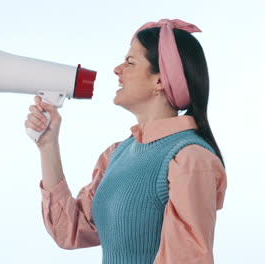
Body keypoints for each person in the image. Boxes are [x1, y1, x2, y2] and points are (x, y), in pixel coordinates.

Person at [25, 18, 227, 264]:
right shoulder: (117, 154)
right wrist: (48, 145)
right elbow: (70, 231)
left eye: (130, 62)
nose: (117, 69)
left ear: (160, 80)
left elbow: (187, 258)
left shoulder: (189, 158)